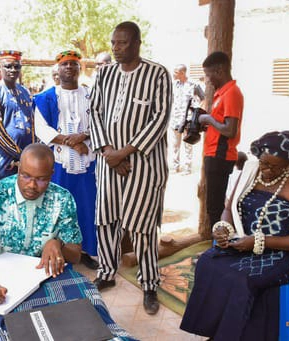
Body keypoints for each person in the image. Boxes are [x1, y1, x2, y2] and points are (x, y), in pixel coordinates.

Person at [180, 130, 289, 340]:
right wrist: (224, 227)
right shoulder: (250, 171)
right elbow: (229, 208)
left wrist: (261, 241)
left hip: (284, 251)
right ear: (258, 157)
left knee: (241, 279)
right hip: (245, 241)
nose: (267, 170)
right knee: (208, 262)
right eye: (264, 163)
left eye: (276, 166)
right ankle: (219, 331)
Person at [89, 21, 172, 315]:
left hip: (144, 165)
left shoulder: (157, 73)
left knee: (142, 225)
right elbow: (94, 111)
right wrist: (109, 153)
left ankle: (149, 284)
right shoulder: (104, 73)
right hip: (108, 160)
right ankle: (106, 272)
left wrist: (125, 152)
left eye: (122, 43)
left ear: (137, 43)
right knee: (106, 218)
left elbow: (160, 119)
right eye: (113, 43)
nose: (116, 48)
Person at [0, 143, 82, 306]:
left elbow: (76, 255)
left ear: (51, 174)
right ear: (18, 168)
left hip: (42, 278)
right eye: (26, 176)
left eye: (41, 179)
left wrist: (58, 244)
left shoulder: (62, 199)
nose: (32, 186)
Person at [34, 50, 99, 270]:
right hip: (60, 164)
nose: (69, 68)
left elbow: (100, 122)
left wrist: (84, 137)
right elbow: (42, 128)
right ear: (57, 70)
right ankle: (61, 252)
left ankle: (86, 251)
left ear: (80, 69)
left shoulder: (92, 95)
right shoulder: (45, 98)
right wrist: (72, 142)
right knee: (60, 207)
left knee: (87, 206)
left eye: (73, 64)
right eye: (65, 64)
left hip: (88, 162)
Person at [198, 51, 244, 229]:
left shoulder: (232, 93)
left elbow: (230, 130)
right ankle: (216, 246)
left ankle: (216, 249)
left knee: (215, 207)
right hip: (214, 154)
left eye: (209, 75)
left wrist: (209, 119)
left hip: (220, 156)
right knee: (213, 205)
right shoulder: (222, 93)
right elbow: (221, 124)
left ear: (219, 71)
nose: (208, 80)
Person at [0, 50, 35, 183]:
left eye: (17, 66)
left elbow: (32, 125)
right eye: (8, 66)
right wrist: (21, 155)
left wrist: (31, 154)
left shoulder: (24, 91)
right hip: (3, 163)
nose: (13, 70)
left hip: (26, 162)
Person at [169, 64, 205, 175]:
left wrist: (196, 113)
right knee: (175, 145)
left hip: (188, 120)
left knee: (188, 144)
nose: (174, 74)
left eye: (176, 72)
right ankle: (175, 166)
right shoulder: (174, 85)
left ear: (183, 73)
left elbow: (203, 98)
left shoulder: (193, 85)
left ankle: (187, 167)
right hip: (175, 119)